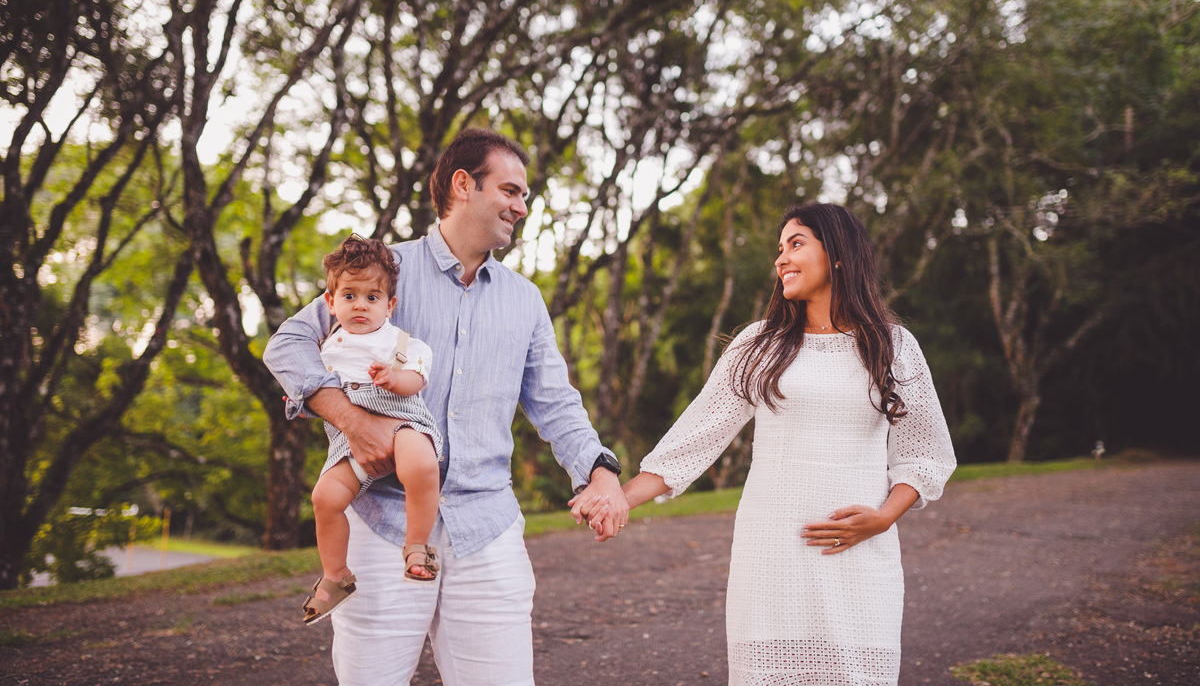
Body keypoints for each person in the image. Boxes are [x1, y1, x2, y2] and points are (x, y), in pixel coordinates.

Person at [263, 128, 628, 686]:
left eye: (524, 196)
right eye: (510, 190)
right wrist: (351, 421)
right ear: (463, 185)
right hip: (382, 521)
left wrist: (599, 471)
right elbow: (287, 344)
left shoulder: (524, 301)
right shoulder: (383, 272)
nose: (521, 206)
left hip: (488, 529)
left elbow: (555, 403)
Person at [580, 202, 956, 686]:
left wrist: (883, 517)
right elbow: (696, 438)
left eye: (796, 244)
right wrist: (617, 498)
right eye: (779, 249)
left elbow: (924, 453)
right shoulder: (760, 345)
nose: (780, 259)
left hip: (859, 560)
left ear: (838, 255)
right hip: (772, 559)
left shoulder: (893, 345)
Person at [301, 234, 444, 626]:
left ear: (389, 305)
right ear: (331, 302)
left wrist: (393, 377)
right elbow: (320, 395)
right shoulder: (325, 350)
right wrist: (301, 406)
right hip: (348, 442)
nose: (360, 305)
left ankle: (416, 545)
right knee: (325, 497)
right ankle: (336, 576)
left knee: (421, 466)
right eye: (349, 295)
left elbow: (417, 381)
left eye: (372, 297)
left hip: (403, 423)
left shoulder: (401, 342)